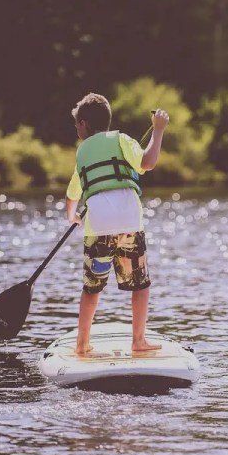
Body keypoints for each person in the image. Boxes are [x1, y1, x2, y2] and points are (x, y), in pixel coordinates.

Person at [65, 92, 169, 355]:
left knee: (92, 289)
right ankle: (138, 341)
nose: (76, 128)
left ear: (85, 124)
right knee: (140, 285)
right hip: (129, 224)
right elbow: (148, 162)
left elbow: (73, 193)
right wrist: (158, 131)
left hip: (97, 227)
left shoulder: (81, 152)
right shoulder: (122, 139)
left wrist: (72, 216)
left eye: (77, 123)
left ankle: (82, 344)